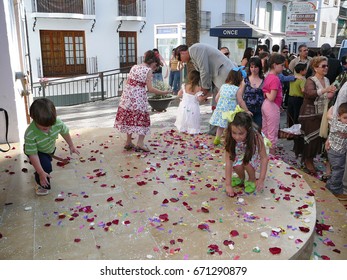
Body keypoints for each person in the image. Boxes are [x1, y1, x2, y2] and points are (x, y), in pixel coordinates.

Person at [114, 50, 171, 153]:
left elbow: (128, 82)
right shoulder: (147, 70)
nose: (154, 68)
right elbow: (150, 89)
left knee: (129, 117)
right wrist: (164, 92)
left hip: (127, 96)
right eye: (155, 65)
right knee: (142, 119)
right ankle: (140, 143)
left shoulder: (134, 67)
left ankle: (128, 142)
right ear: (153, 62)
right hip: (138, 98)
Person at [175, 43, 237, 135]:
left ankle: (231, 131)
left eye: (180, 59)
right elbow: (203, 72)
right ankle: (215, 131)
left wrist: (205, 89)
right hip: (217, 77)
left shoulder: (195, 49)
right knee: (217, 105)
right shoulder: (193, 55)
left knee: (225, 104)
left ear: (182, 52)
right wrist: (204, 91)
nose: (182, 62)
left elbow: (204, 70)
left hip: (223, 74)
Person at [24, 98, 80, 196]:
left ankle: (39, 166)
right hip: (36, 151)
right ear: (33, 118)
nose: (48, 129)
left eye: (50, 125)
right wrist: (41, 172)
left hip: (49, 149)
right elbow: (33, 154)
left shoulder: (57, 122)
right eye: (43, 127)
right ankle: (41, 184)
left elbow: (65, 132)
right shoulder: (30, 133)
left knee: (44, 163)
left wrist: (71, 145)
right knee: (45, 167)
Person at [298, 56, 336, 173]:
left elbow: (327, 97)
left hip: (322, 114)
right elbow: (309, 93)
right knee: (311, 139)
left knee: (319, 139)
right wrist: (325, 90)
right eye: (323, 66)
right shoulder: (311, 80)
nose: (326, 68)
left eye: (327, 66)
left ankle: (310, 159)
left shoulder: (327, 80)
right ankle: (307, 160)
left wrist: (331, 94)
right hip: (310, 115)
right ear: (315, 68)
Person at [223, 107, 269, 197]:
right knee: (237, 165)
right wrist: (228, 184)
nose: (237, 137)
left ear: (248, 130)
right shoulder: (229, 138)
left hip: (252, 152)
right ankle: (241, 178)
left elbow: (264, 158)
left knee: (246, 163)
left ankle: (252, 179)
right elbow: (229, 161)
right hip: (241, 152)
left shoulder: (256, 137)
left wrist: (261, 179)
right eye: (234, 133)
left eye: (241, 133)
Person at [209, 67, 245, 145]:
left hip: (221, 110)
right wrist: (246, 110)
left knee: (220, 127)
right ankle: (228, 141)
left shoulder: (223, 86)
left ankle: (217, 139)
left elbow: (216, 98)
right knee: (230, 127)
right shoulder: (237, 89)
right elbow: (240, 100)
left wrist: (222, 104)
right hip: (231, 112)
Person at [261, 53, 286, 155]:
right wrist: (266, 92)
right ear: (275, 65)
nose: (283, 68)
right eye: (282, 65)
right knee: (272, 132)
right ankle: (271, 155)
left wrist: (265, 91)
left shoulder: (268, 76)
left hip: (266, 105)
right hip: (271, 106)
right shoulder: (275, 78)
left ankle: (265, 153)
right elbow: (272, 97)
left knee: (265, 130)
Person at [326, 102, 347, 201]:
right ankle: (335, 191)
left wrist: (332, 108)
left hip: (333, 151)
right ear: (339, 116)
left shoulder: (334, 121)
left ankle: (329, 186)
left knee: (336, 170)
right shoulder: (342, 126)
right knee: (338, 171)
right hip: (337, 153)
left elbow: (329, 115)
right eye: (345, 118)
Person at [237, 56, 264, 129]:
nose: (253, 69)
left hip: (260, 110)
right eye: (251, 67)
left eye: (256, 67)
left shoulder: (264, 80)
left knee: (258, 131)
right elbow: (239, 95)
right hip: (247, 109)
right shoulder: (245, 80)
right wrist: (246, 110)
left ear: (259, 68)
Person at [174, 70, 205, 134]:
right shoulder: (198, 88)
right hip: (193, 106)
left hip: (184, 105)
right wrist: (207, 96)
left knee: (183, 117)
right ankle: (192, 130)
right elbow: (200, 99)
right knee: (192, 119)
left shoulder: (184, 85)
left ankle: (183, 128)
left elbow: (179, 94)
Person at [287, 63, 307, 127]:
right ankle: (296, 131)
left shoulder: (292, 77)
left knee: (290, 115)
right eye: (305, 69)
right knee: (297, 115)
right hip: (298, 99)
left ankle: (290, 130)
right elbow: (303, 90)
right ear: (301, 71)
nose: (306, 71)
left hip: (290, 98)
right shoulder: (302, 79)